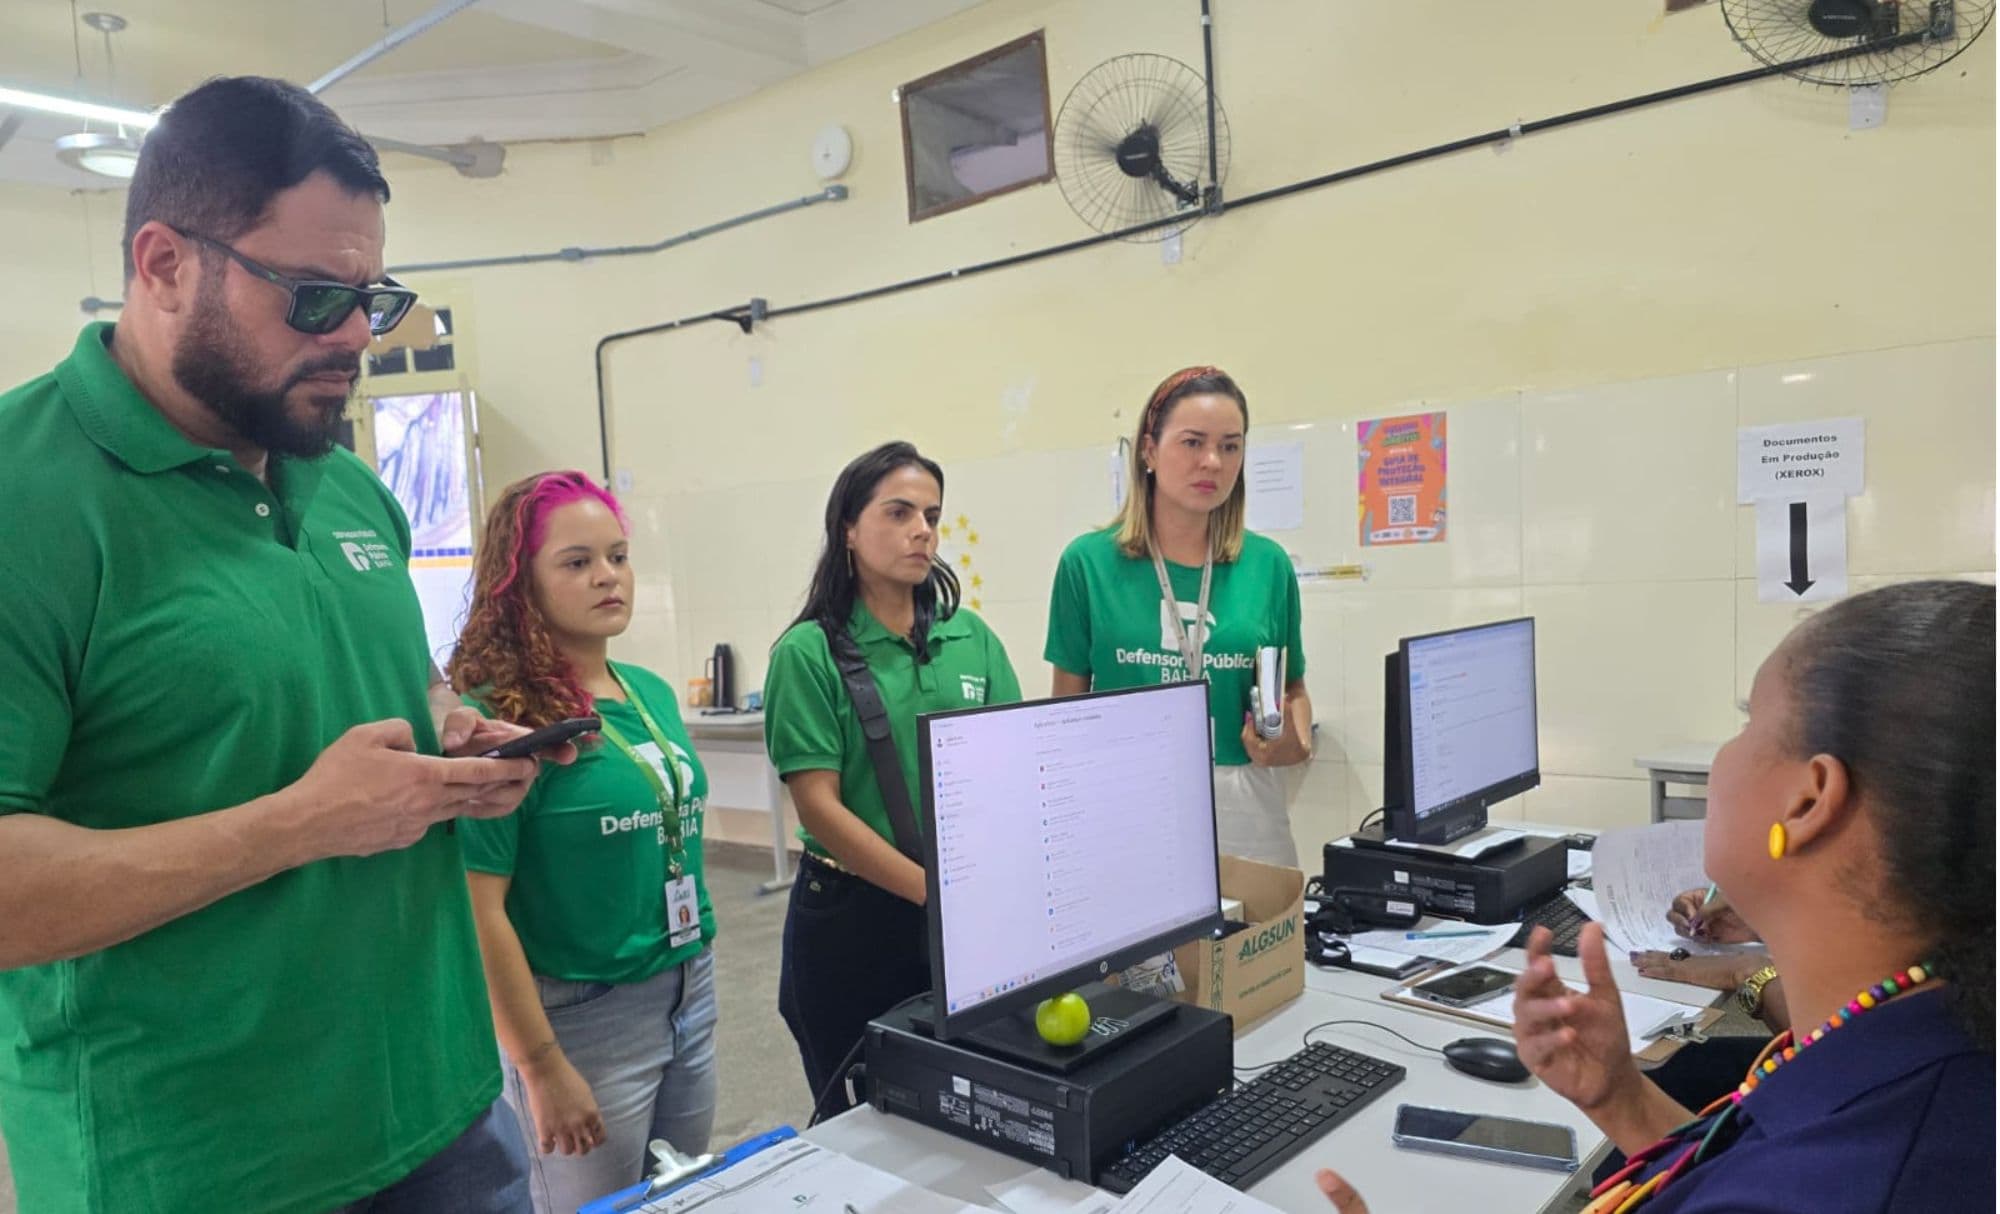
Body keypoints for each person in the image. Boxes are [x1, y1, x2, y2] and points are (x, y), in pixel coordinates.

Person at [0, 77, 566, 1214]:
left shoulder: (350, 486)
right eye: (313, 297)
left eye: (373, 296)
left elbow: (391, 673)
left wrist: (449, 727)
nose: (356, 334)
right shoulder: (26, 500)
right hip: (200, 1169)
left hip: (450, 1118)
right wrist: (302, 823)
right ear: (162, 264)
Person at [1316, 580, 1995, 1212]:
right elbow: (1739, 1160)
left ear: (1810, 798)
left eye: (1746, 722)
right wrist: (1624, 1099)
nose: (1725, 755)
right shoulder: (1927, 1045)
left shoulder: (1834, 1184)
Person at [449, 471, 719, 1214]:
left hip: (686, 988)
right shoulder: (500, 722)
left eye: (619, 556)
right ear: (521, 582)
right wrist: (540, 1067)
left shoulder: (648, 693)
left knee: (686, 1196)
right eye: (576, 562)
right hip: (581, 1017)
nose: (608, 577)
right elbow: (479, 910)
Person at [763, 441, 1022, 1108]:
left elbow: (1011, 766)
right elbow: (818, 809)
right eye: (899, 513)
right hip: (854, 920)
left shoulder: (973, 640)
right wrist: (932, 892)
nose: (922, 532)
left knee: (964, 1100)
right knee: (862, 1116)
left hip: (961, 904)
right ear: (847, 528)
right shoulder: (808, 653)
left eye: (932, 516)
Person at [1045, 366, 1312, 866]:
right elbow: (1066, 714)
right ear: (1149, 450)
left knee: (1253, 941)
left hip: (1245, 802)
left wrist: (1286, 744)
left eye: (1230, 446)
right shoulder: (1087, 563)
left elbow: (1293, 691)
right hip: (1125, 800)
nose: (1212, 462)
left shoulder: (1268, 565)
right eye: (1192, 443)